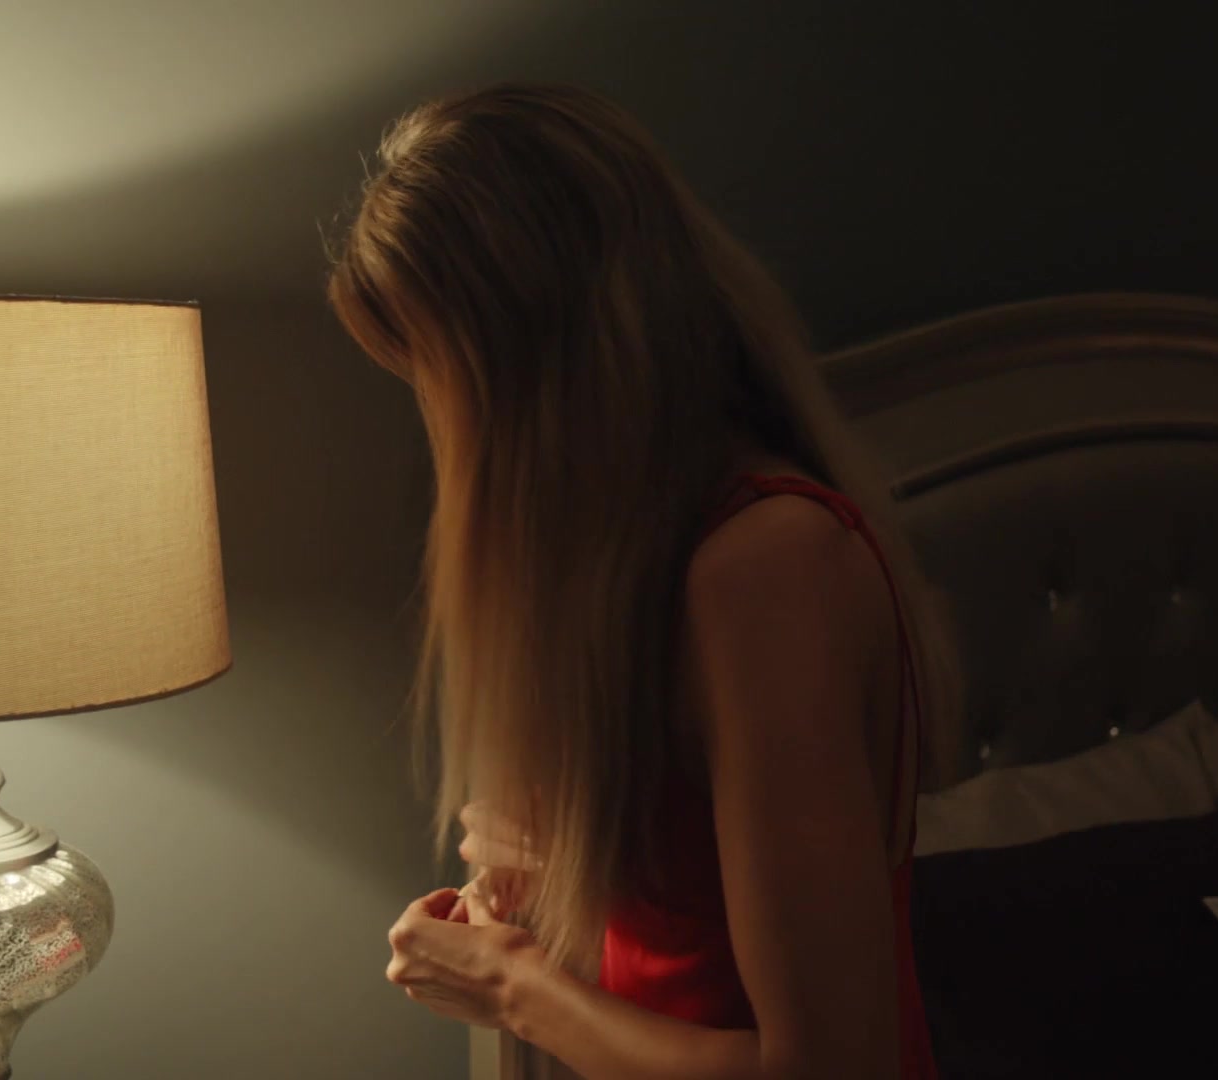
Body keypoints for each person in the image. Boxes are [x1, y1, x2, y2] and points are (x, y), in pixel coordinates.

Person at [327, 82, 957, 1079]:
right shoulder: (627, 577)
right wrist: (561, 867)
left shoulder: (766, 567)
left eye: (448, 381)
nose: (450, 432)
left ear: (540, 363)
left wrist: (512, 985)